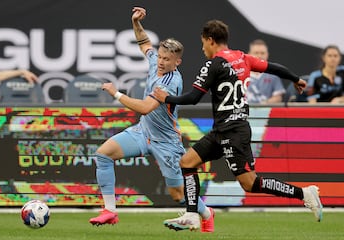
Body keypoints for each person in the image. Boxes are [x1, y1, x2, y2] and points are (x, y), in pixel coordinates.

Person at [154, 19, 323, 231]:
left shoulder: (214, 63)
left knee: (250, 183)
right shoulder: (242, 58)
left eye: (203, 43)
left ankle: (305, 194)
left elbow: (194, 97)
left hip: (234, 131)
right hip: (222, 130)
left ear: (210, 40)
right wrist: (296, 78)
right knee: (187, 162)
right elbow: (273, 68)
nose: (202, 48)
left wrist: (166, 98)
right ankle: (191, 215)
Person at [89, 7, 214, 233]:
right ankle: (110, 211)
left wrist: (117, 94)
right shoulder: (155, 60)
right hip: (142, 133)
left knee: (177, 195)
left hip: (166, 141)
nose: (162, 62)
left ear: (178, 62)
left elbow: (146, 107)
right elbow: (144, 42)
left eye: (168, 59)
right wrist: (136, 23)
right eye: (161, 56)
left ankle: (206, 213)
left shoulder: (170, 81)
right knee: (103, 154)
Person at [246, 39, 286, 104]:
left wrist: (263, 104)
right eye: (256, 53)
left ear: (267, 54)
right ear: (249, 54)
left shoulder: (273, 74)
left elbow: (278, 97)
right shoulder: (241, 72)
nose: (259, 56)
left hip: (265, 112)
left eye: (262, 53)